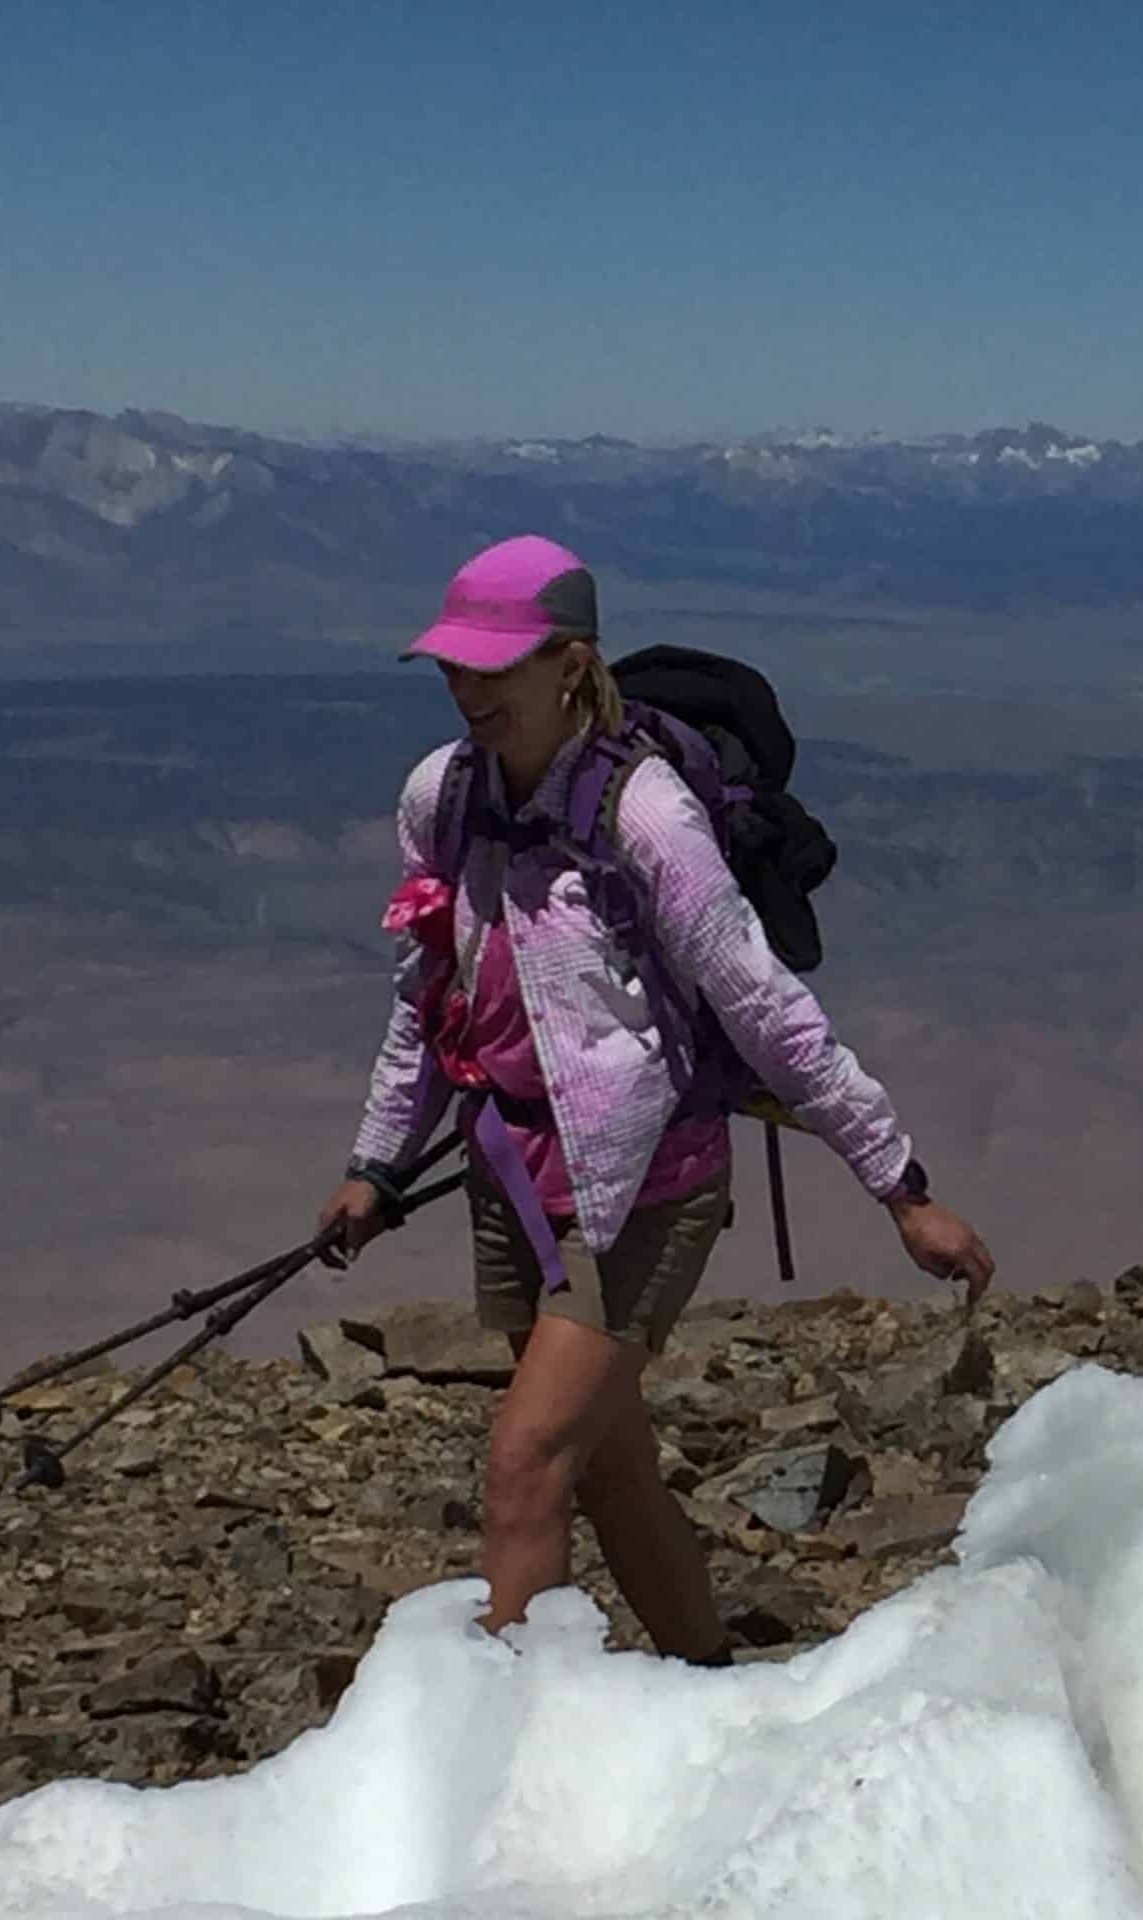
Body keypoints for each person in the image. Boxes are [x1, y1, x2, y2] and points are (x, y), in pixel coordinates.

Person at [318, 534, 994, 1662]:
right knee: (608, 1461)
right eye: (453, 666)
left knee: (525, 1464)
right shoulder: (444, 798)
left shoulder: (647, 816)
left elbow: (764, 1005)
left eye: (496, 666)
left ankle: (512, 1759)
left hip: (643, 1192)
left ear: (570, 662)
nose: (466, 690)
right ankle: (710, 1679)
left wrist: (900, 1186)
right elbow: (430, 995)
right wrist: (377, 1163)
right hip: (512, 1176)